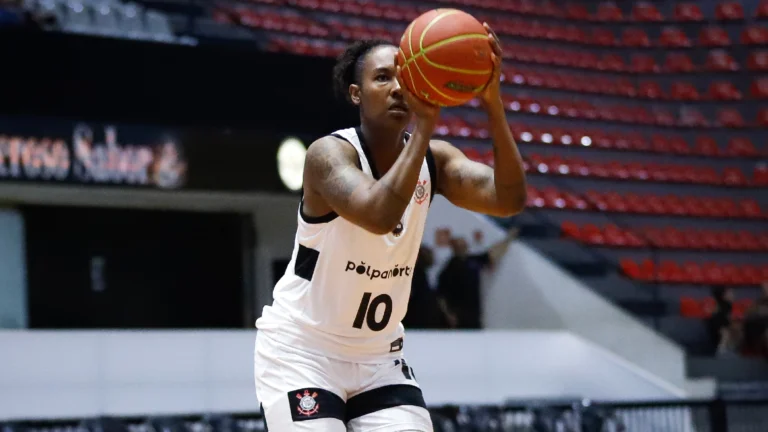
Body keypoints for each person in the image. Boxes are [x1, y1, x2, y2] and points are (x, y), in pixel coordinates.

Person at [254, 24, 527, 432]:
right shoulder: (328, 156)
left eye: (405, 77)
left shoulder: (436, 161)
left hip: (378, 358)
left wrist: (492, 103)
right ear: (355, 94)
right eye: (383, 77)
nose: (399, 87)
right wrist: (425, 129)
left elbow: (509, 199)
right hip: (303, 352)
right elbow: (379, 214)